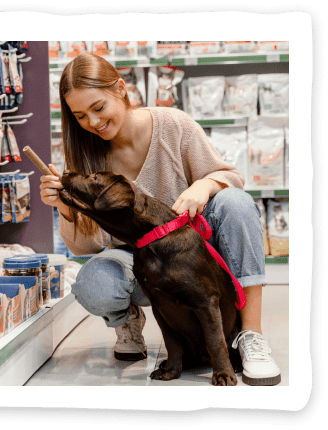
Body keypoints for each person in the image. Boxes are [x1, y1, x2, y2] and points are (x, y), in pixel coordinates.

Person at [40, 52, 281, 386]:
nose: (93, 123)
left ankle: (250, 335)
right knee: (94, 283)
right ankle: (128, 320)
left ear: (121, 90)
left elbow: (233, 178)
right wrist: (66, 207)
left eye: (98, 108)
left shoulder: (173, 125)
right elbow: (88, 245)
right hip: (138, 258)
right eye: (80, 116)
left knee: (235, 202)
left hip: (193, 252)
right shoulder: (85, 153)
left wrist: (204, 184)